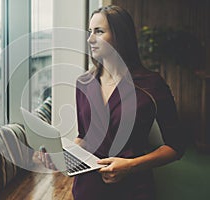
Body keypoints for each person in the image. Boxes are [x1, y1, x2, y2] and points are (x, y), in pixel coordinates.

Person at [38, 5, 186, 200]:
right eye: (90, 31)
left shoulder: (151, 84)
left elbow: (176, 147)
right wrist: (62, 158)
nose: (90, 39)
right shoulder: (83, 83)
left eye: (99, 31)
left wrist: (131, 166)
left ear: (120, 36)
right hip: (87, 189)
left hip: (133, 189)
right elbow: (84, 137)